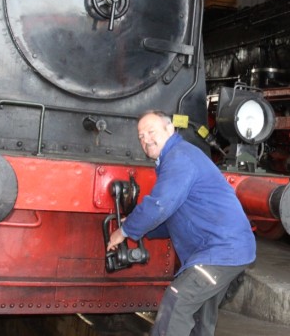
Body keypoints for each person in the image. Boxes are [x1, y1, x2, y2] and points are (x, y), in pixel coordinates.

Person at [106, 110, 255, 336]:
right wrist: (143, 230)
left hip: (221, 251)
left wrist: (125, 231)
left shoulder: (179, 157)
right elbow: (175, 216)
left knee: (176, 303)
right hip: (225, 250)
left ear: (170, 129)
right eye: (141, 136)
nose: (146, 139)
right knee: (199, 320)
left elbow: (160, 205)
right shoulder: (177, 157)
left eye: (151, 132)